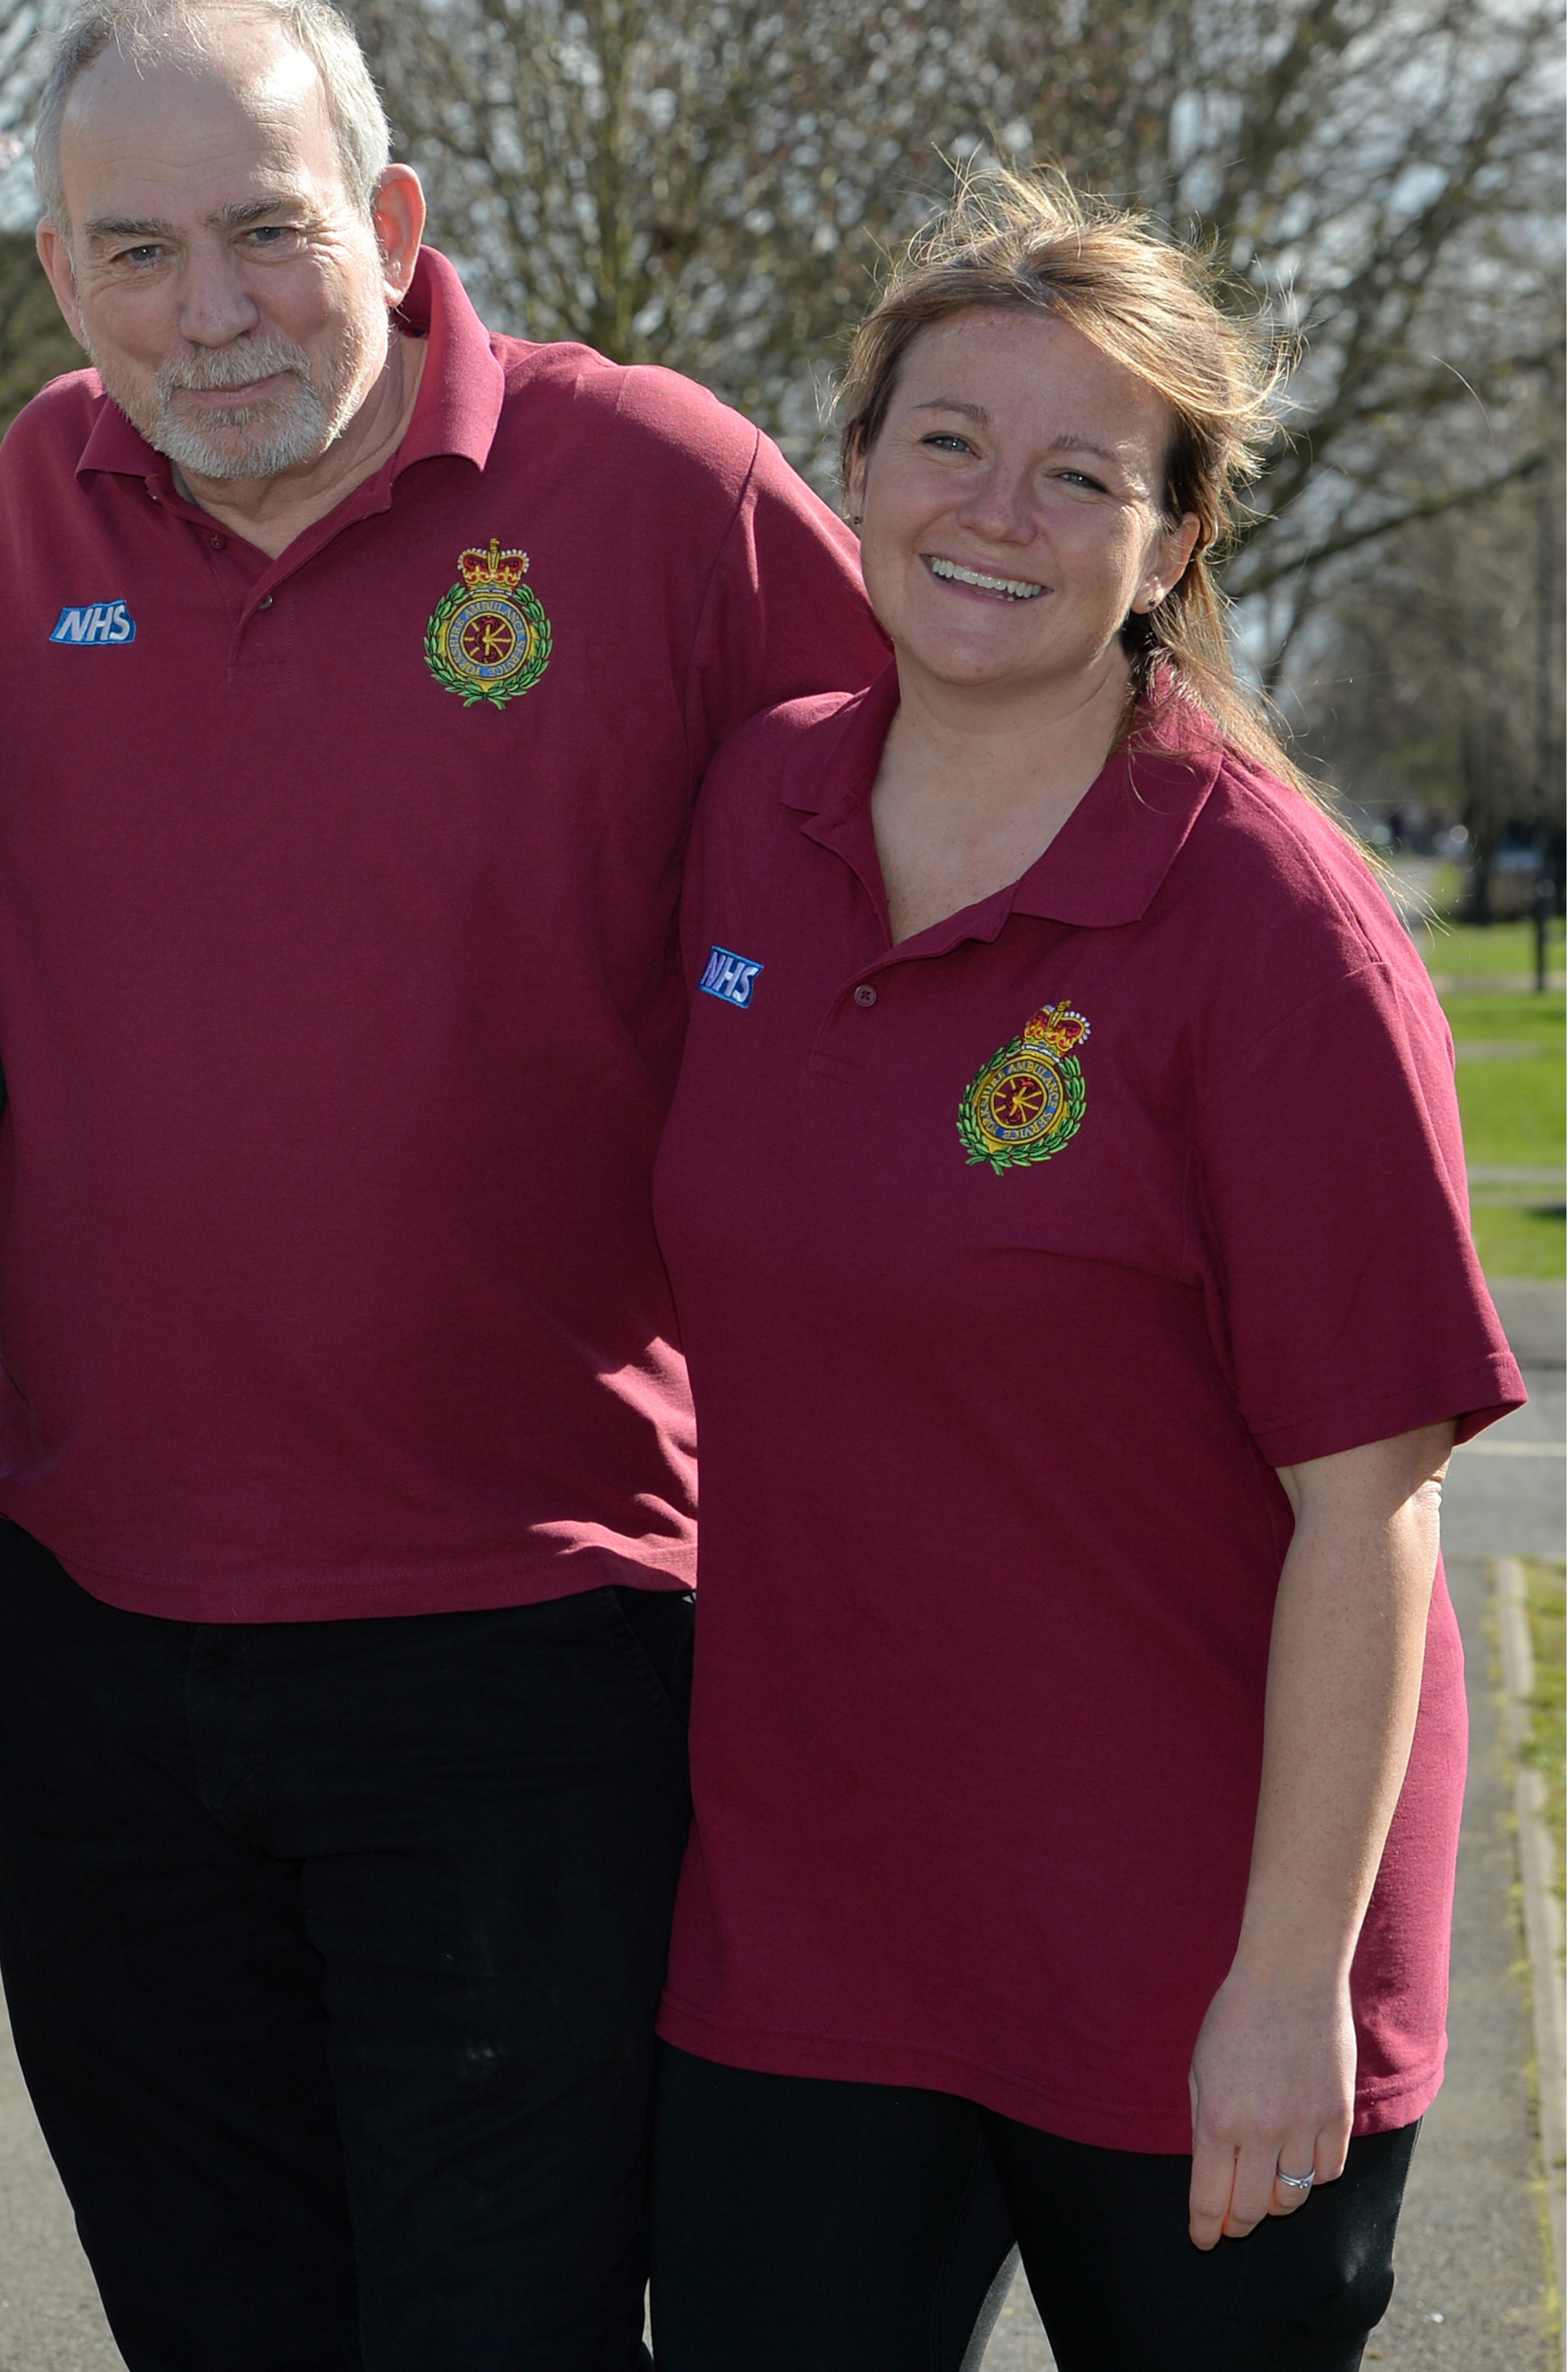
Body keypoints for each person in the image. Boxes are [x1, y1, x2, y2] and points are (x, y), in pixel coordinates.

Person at [0, 0, 888, 2370]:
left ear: (396, 212)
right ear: (59, 274)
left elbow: (940, 843)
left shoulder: (659, 487)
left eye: (268, 228)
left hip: (526, 1646)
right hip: (102, 1656)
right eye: (134, 251)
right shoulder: (22, 516)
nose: (205, 310)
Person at [643, 176, 1523, 2369]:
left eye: (1079, 473)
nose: (993, 510)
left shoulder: (1272, 931)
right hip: (818, 1916)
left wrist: (1282, 1982)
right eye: (944, 438)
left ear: (1173, 539)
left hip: (1191, 1940)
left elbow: (1371, 1505)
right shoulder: (754, 806)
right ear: (847, 465)